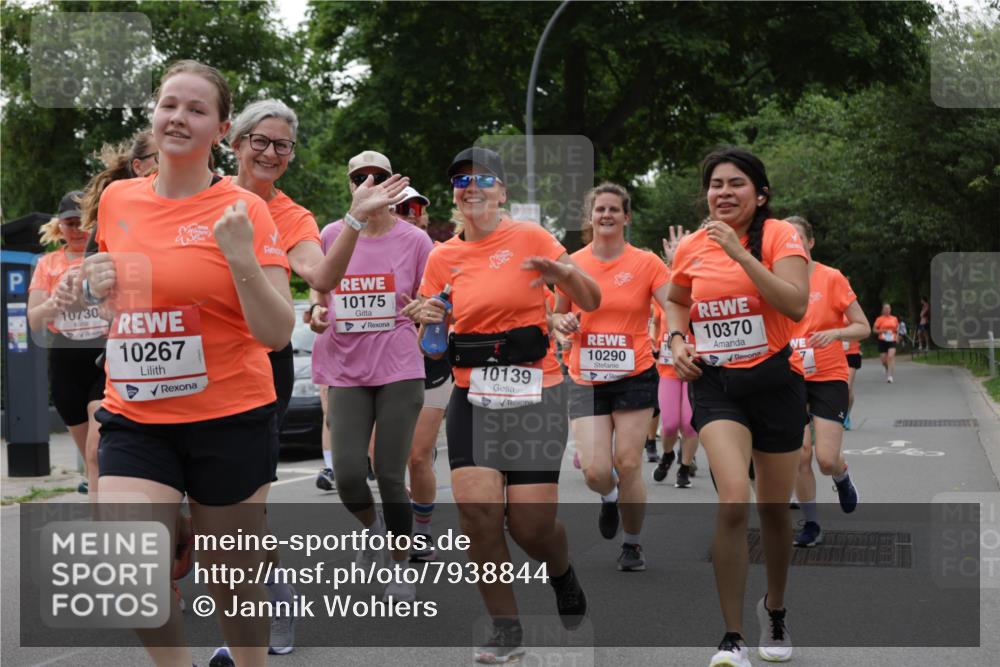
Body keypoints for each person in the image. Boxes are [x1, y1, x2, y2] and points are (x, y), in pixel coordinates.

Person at [82, 59, 294, 667]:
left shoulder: (245, 212)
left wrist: (237, 256)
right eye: (170, 104)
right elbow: (125, 303)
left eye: (196, 109)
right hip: (137, 415)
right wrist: (96, 284)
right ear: (154, 113)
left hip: (229, 415)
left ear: (222, 130)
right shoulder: (118, 201)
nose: (178, 117)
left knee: (232, 583)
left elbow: (277, 331)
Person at [417, 147, 600, 663]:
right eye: (460, 181)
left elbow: (591, 300)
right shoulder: (441, 257)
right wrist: (428, 318)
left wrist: (561, 274)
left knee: (530, 527)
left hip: (535, 395)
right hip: (472, 396)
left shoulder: (531, 238)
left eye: (482, 180)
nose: (470, 187)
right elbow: (431, 345)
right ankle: (505, 627)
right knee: (477, 511)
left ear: (502, 192)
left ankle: (560, 570)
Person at [666, 148, 809, 667]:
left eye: (737, 184)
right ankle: (731, 638)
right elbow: (675, 297)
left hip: (775, 382)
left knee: (772, 509)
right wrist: (677, 339)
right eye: (715, 184)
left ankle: (774, 609)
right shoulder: (693, 245)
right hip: (716, 383)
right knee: (732, 498)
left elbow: (794, 303)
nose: (723, 192)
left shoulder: (778, 238)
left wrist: (742, 254)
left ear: (761, 194)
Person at [310, 150, 429, 601]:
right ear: (350, 185)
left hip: (399, 364)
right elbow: (320, 294)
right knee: (347, 477)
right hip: (345, 365)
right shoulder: (331, 234)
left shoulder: (416, 241)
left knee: (390, 473)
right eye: (359, 176)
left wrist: (428, 311)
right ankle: (373, 527)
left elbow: (435, 301)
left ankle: (400, 567)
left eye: (378, 175)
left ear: (393, 182)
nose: (369, 182)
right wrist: (318, 312)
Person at [552, 182, 669, 572]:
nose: (606, 215)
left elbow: (675, 303)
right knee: (596, 469)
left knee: (629, 460)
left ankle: (632, 543)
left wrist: (681, 334)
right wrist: (562, 322)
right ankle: (609, 496)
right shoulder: (572, 263)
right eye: (599, 209)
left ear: (626, 216)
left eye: (614, 210)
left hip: (634, 373)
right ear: (590, 216)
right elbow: (556, 315)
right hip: (586, 377)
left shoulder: (647, 263)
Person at [784, 216, 869, 548]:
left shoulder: (831, 278)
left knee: (825, 459)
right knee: (800, 455)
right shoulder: (774, 280)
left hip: (828, 377)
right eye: (785, 240)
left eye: (798, 239)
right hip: (789, 378)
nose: (792, 245)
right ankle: (811, 523)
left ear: (810, 243)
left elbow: (863, 326)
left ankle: (842, 475)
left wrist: (837, 332)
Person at [28, 191, 106, 497]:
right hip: (65, 356)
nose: (77, 230)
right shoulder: (48, 264)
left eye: (82, 222)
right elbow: (34, 318)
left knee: (97, 449)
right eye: (70, 223)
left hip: (103, 352)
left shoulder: (104, 256)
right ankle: (100, 503)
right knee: (91, 459)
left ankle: (110, 524)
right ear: (60, 226)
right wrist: (56, 302)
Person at [396, 185, 451, 561]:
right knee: (383, 462)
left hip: (429, 366)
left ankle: (421, 532)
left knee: (418, 456)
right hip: (383, 368)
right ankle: (392, 518)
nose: (412, 212)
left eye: (418, 207)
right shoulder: (367, 249)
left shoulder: (438, 255)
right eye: (404, 207)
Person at [873, 303, 900, 383]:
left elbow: (897, 329)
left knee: (891, 356)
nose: (887, 310)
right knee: (884, 360)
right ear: (883, 310)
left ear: (890, 310)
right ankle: (887, 368)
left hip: (892, 339)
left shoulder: (894, 318)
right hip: (882, 340)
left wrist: (897, 337)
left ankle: (890, 376)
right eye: (886, 308)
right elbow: (874, 330)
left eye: (889, 308)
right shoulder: (879, 319)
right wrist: (882, 331)